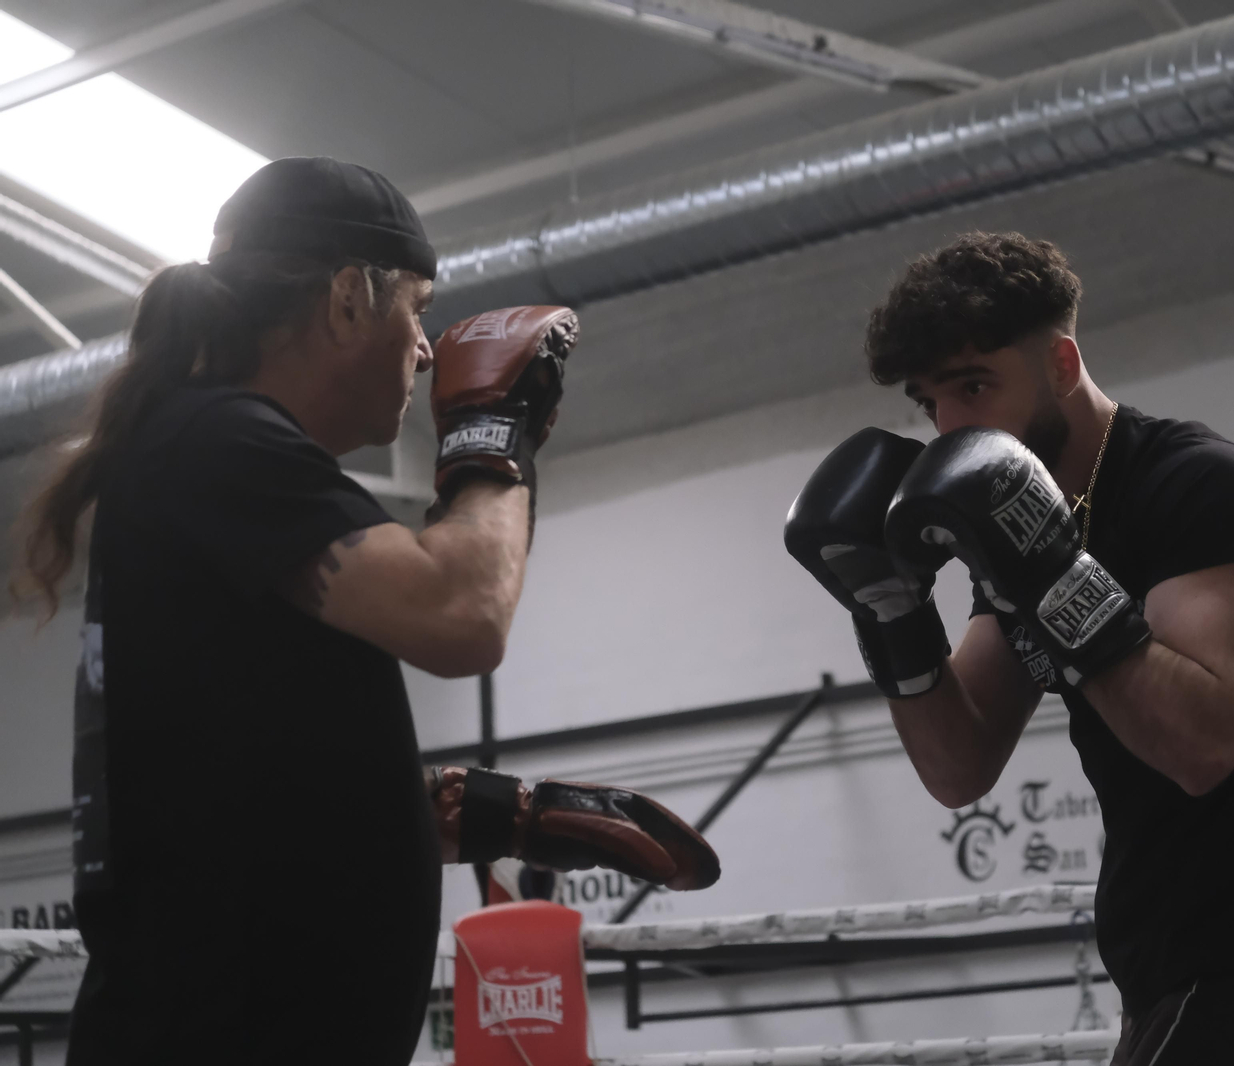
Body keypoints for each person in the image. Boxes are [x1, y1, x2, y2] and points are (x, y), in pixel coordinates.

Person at [10, 157, 715, 1066]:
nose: (425, 349)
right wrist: (494, 430)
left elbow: (234, 790)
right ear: (348, 297)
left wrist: (484, 814)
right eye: (416, 308)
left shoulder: (209, 457)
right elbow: (463, 614)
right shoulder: (217, 445)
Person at [786, 231, 1234, 1064]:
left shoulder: (1199, 486)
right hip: (1161, 975)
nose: (950, 426)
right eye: (929, 403)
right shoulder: (1015, 533)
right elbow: (959, 766)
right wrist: (892, 609)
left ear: (1061, 364)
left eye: (974, 386)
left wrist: (1054, 574)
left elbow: (1204, 745)